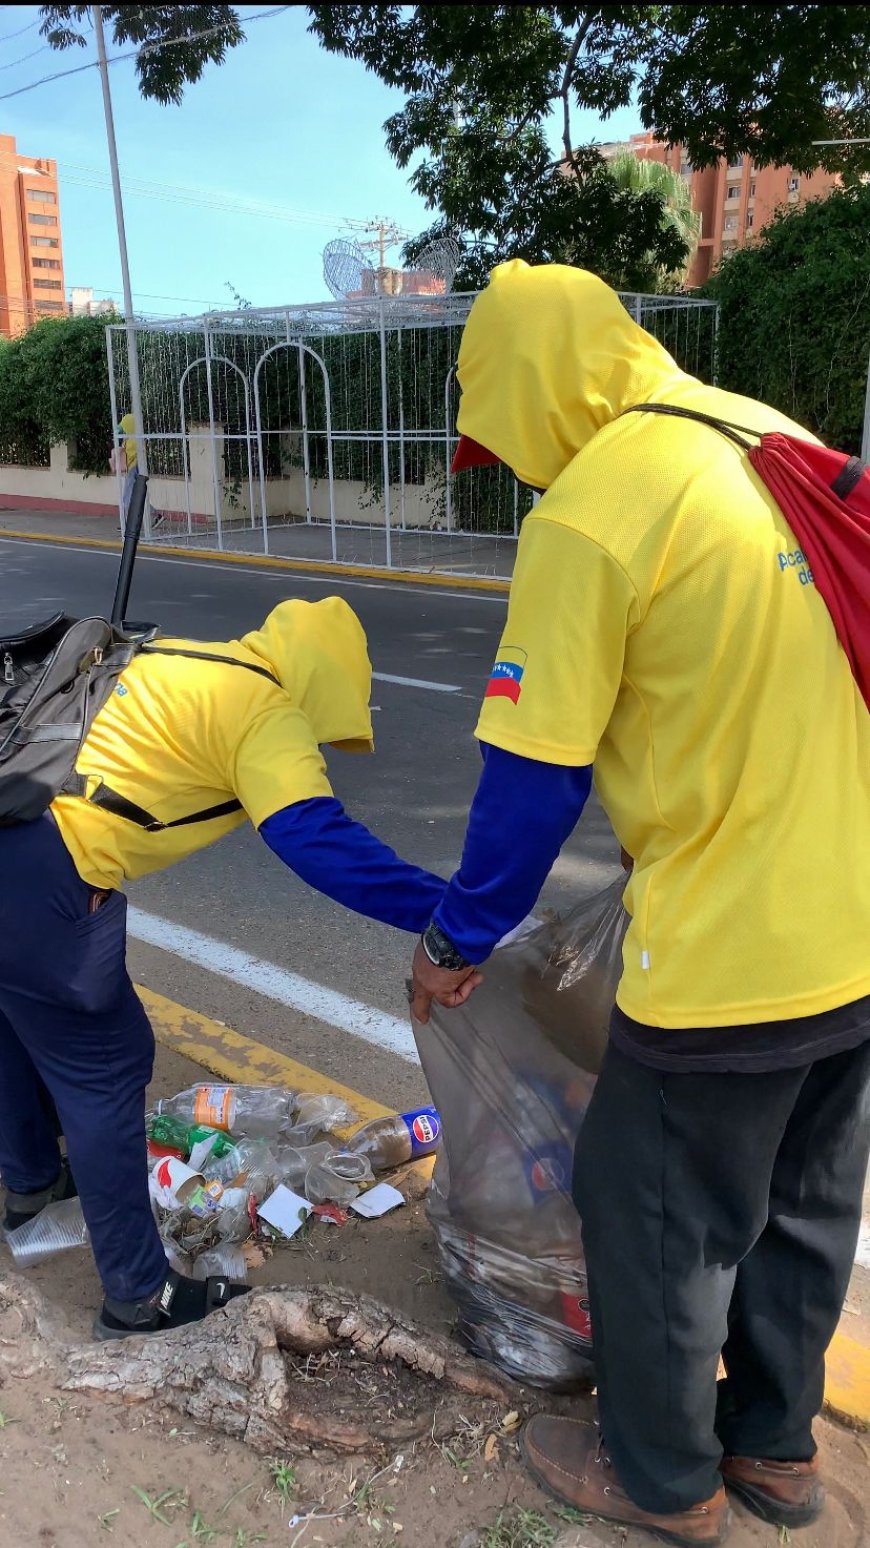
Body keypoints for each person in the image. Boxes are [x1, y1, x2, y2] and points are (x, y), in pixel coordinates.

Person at [409, 260, 870, 1545]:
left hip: (731, 947)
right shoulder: (767, 435)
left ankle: (664, 1480)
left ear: (530, 388)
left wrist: (456, 941)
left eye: (503, 431)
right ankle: (776, 1451)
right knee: (806, 1202)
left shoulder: (596, 509)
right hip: (861, 927)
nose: (512, 464)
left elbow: (531, 778)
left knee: (657, 1212)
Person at [0, 598, 445, 1341]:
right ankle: (139, 1297)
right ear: (324, 681)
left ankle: (31, 1185)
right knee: (106, 1064)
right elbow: (319, 842)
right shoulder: (263, 709)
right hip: (43, 877)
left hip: (13, 829)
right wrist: (451, 918)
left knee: (17, 1012)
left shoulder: (176, 656)